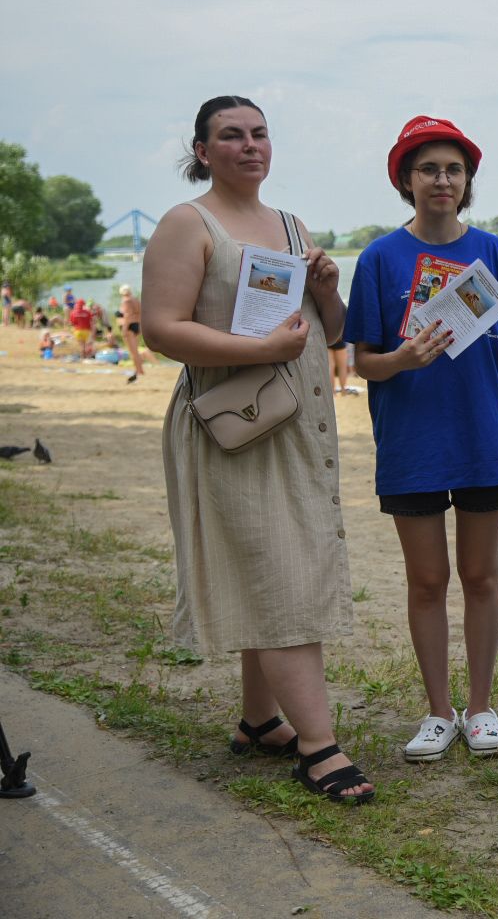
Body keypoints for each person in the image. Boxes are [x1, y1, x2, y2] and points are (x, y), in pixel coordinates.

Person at [142, 95, 371, 804]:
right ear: (202, 151)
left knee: (272, 561)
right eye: (232, 135)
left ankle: (259, 720)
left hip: (299, 424)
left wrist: (327, 290)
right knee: (280, 572)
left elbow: (332, 330)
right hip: (234, 426)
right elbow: (161, 329)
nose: (250, 145)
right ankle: (318, 748)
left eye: (260, 133)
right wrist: (259, 349)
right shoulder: (188, 224)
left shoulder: (292, 225)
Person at [346, 116, 498, 764]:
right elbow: (363, 362)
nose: (442, 180)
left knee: (481, 576)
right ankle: (438, 712)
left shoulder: (495, 253)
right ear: (406, 179)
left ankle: (480, 708)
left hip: (482, 435)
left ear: (467, 181)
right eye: (428, 169)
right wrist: (403, 359)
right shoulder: (378, 259)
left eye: (454, 169)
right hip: (411, 441)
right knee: (427, 581)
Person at [118, 285, 146, 382]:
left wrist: (124, 329)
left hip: (129, 326)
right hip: (136, 325)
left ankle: (139, 371)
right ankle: (140, 370)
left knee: (133, 352)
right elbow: (140, 313)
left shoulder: (126, 301)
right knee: (135, 350)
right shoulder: (136, 300)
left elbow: (127, 315)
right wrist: (140, 326)